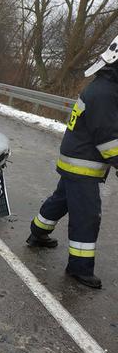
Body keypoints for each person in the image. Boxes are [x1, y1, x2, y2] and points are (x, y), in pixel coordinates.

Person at [27, 35, 118, 289]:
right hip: (82, 163)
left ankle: (37, 233)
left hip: (75, 158)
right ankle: (79, 268)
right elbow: (108, 139)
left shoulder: (104, 87)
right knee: (87, 215)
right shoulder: (106, 93)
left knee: (61, 200)